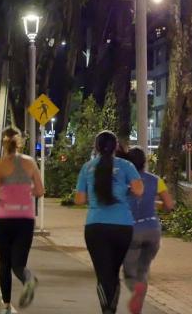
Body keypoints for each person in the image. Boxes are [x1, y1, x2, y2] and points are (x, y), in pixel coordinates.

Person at [75, 131, 144, 314]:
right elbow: (139, 190)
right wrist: (124, 189)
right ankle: (111, 310)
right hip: (123, 226)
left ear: (96, 147)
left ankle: (107, 311)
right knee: (113, 273)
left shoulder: (87, 167)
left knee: (103, 274)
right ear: (116, 147)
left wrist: (94, 195)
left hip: (96, 226)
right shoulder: (127, 166)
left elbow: (80, 199)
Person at [0, 127, 44, 314]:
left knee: (4, 263)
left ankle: (6, 306)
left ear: (3, 143)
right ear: (20, 142)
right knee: (18, 264)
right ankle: (27, 279)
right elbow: (40, 191)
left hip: (4, 219)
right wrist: (25, 192)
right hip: (25, 219)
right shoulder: (30, 163)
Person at [123, 146, 175, 314]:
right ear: (145, 163)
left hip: (132, 230)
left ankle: (135, 290)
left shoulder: (124, 181)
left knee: (130, 270)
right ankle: (139, 300)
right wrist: (154, 204)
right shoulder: (155, 180)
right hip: (153, 230)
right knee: (143, 269)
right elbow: (169, 205)